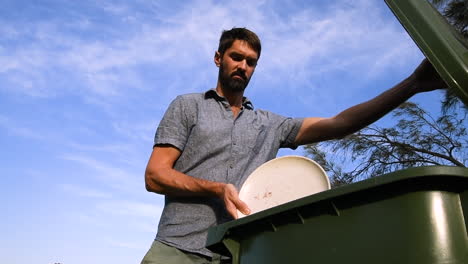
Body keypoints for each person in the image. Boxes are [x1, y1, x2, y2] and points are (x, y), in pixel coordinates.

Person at [140, 27, 446, 264]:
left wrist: (412, 85)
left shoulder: (271, 124)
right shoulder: (188, 106)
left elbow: (340, 124)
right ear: (218, 58)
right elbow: (155, 176)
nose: (243, 66)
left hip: (239, 255)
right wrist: (216, 188)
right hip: (176, 249)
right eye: (236, 57)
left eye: (251, 62)